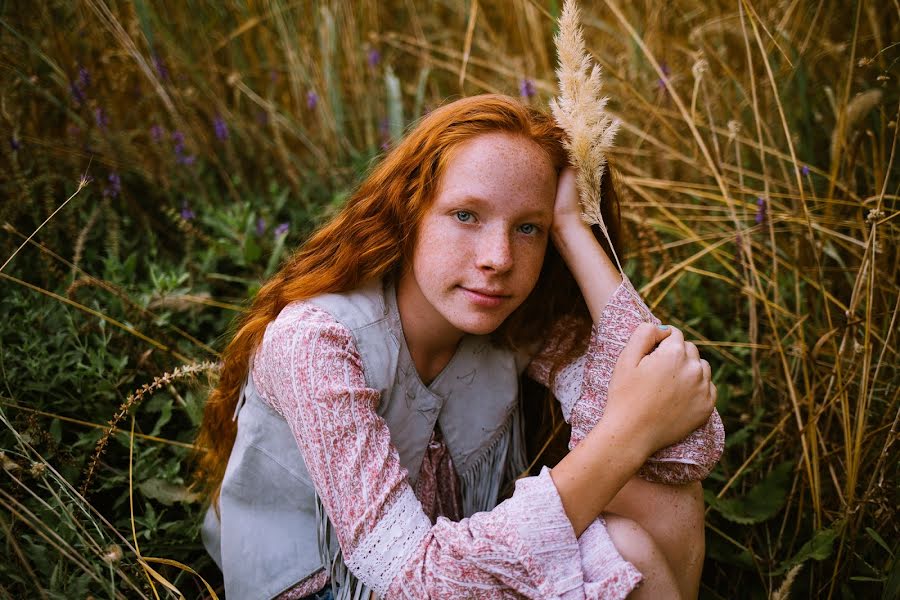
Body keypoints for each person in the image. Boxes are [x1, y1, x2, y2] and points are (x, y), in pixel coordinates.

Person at [195, 94, 724, 600]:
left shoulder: (515, 320)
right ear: (409, 212)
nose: (498, 258)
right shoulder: (316, 341)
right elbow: (416, 583)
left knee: (660, 491)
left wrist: (572, 227)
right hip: (340, 587)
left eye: (528, 228)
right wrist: (626, 432)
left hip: (449, 569)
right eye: (466, 215)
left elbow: (684, 446)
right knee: (626, 542)